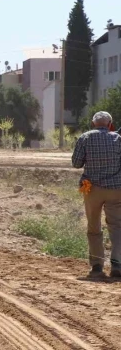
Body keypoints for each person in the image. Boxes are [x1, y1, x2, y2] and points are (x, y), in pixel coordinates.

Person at [72, 111, 121, 278]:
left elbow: (76, 163)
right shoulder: (118, 139)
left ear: (94, 123)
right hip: (116, 189)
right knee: (117, 227)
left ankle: (97, 266)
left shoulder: (85, 137)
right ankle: (117, 265)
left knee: (94, 227)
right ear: (109, 124)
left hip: (91, 189)